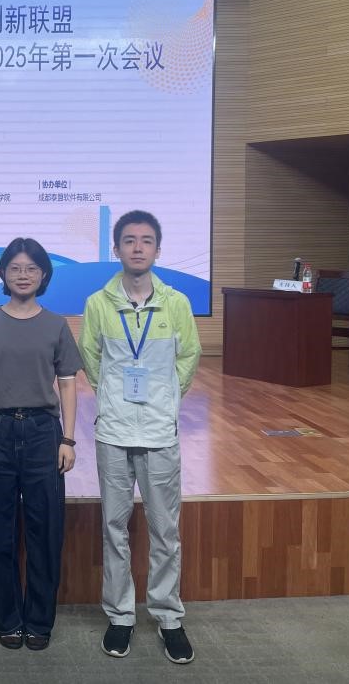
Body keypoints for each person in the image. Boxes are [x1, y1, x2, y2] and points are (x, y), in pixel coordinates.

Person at [78, 210, 202, 665]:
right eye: (129, 240)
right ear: (116, 249)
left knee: (165, 529)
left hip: (159, 431)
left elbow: (189, 356)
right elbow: (91, 358)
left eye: (146, 240)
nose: (137, 247)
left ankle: (168, 616)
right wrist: (115, 396)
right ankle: (120, 615)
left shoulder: (176, 303)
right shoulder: (98, 303)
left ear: (157, 249)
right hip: (113, 431)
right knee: (114, 527)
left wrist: (164, 399)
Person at [0, 237, 82, 651]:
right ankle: (8, 620)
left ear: (43, 275)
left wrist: (68, 438)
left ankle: (39, 621)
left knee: (44, 531)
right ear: (3, 273)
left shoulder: (56, 325)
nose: (22, 275)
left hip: (42, 433)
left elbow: (67, 384)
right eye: (15, 268)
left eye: (31, 268)